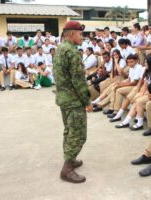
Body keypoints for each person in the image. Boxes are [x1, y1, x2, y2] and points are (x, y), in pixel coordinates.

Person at [53, 20, 92, 184]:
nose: (82, 37)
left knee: (69, 130)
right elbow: (78, 81)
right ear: (71, 34)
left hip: (63, 98)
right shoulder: (72, 52)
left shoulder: (59, 49)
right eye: (80, 34)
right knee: (78, 134)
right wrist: (87, 101)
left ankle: (71, 158)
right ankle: (67, 168)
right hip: (74, 101)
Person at [115, 54, 151, 129]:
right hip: (149, 92)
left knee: (138, 101)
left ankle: (136, 123)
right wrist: (142, 93)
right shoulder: (148, 70)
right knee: (137, 99)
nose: (144, 64)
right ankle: (129, 121)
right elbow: (146, 83)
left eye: (146, 63)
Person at [103, 54, 144, 120]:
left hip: (135, 87)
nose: (129, 64)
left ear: (136, 61)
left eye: (131, 62)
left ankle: (116, 112)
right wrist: (121, 83)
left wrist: (123, 85)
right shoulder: (131, 68)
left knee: (118, 90)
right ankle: (112, 108)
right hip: (131, 85)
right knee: (115, 86)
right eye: (128, 62)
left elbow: (134, 83)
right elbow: (130, 79)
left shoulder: (139, 67)